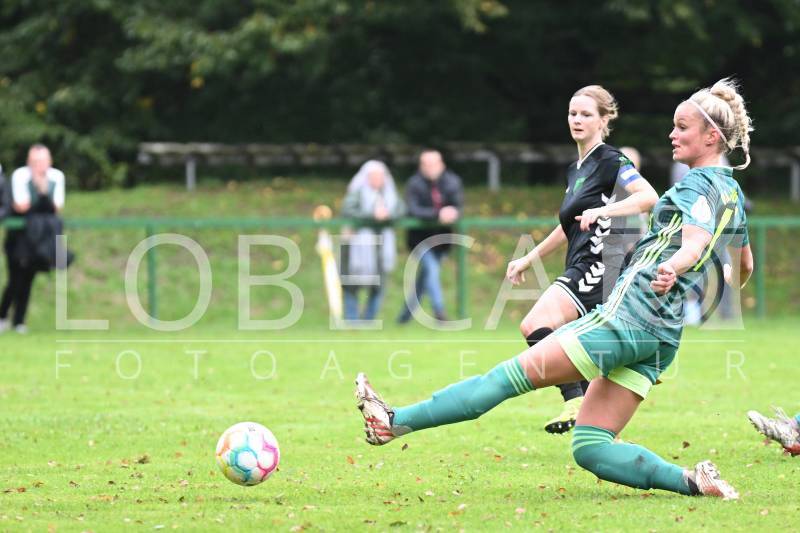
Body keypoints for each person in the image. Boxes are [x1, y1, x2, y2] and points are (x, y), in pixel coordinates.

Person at [356, 78, 754, 500]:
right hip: (662, 336)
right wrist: (714, 272)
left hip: (627, 318)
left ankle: (393, 421)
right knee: (591, 446)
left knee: (505, 377)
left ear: (711, 137)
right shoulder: (732, 193)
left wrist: (674, 266)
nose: (672, 134)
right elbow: (744, 265)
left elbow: (693, 243)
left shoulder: (693, 185)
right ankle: (694, 481)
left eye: (682, 127)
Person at [505, 87, 658, 434]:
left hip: (598, 266)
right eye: (573, 113)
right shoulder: (575, 169)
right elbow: (568, 226)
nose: (577, 119)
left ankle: (575, 399)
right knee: (577, 345)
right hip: (580, 263)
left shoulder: (611, 160)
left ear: (604, 120)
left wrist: (605, 211)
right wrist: (529, 258)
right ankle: (591, 412)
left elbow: (649, 196)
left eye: (586, 114)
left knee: (535, 324)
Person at [0, 144, 66, 333]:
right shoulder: (20, 175)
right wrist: (41, 190)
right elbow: (20, 206)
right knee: (15, 279)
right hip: (19, 238)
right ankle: (3, 316)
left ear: (49, 161)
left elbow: (57, 207)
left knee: (28, 278)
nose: (39, 165)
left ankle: (19, 321)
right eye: (35, 161)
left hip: (39, 238)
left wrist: (42, 191)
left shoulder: (56, 176)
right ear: (29, 162)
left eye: (43, 161)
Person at [397, 150, 463, 324]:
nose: (430, 168)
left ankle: (404, 317)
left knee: (425, 278)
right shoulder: (414, 184)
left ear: (442, 165)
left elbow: (457, 205)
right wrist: (437, 214)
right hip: (419, 240)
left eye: (433, 164)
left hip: (442, 240)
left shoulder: (452, 182)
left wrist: (452, 212)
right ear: (421, 166)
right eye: (426, 164)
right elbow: (413, 209)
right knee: (432, 270)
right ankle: (439, 312)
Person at [340, 160, 404, 321]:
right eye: (373, 176)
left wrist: (388, 215)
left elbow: (401, 210)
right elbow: (348, 209)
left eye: (380, 176)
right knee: (351, 284)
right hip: (357, 246)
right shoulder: (357, 193)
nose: (377, 180)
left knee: (378, 285)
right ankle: (352, 320)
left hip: (382, 247)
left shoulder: (390, 195)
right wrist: (371, 215)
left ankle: (368, 320)